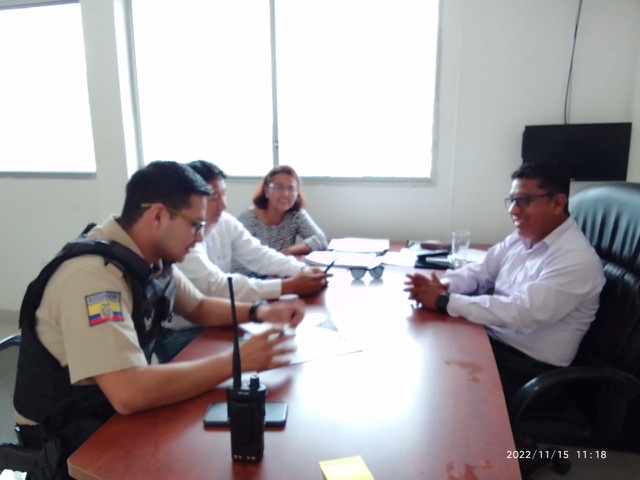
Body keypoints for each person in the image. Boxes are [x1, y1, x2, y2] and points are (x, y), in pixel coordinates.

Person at [13, 161, 304, 478]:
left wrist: (260, 311)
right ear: (158, 216)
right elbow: (129, 393)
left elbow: (199, 306)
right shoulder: (93, 278)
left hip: (107, 407)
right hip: (68, 437)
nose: (200, 238)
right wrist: (238, 360)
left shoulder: (148, 257)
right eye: (195, 225)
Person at [404, 162, 605, 401]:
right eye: (512, 201)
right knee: (422, 356)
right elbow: (480, 272)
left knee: (438, 391)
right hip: (493, 342)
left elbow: (523, 313)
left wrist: (444, 301)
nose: (513, 210)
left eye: (524, 201)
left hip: (528, 370)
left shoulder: (576, 259)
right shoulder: (522, 237)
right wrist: (445, 286)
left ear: (557, 203)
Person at [154, 160, 329, 363]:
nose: (224, 205)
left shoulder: (225, 222)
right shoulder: (181, 235)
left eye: (224, 194)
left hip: (224, 317)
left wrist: (302, 271)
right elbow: (215, 286)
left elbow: (260, 255)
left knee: (285, 348)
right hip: (183, 332)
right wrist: (286, 286)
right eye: (214, 197)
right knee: (263, 359)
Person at [236, 165, 327, 268]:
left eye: (291, 189)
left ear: (297, 193)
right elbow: (242, 263)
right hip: (251, 276)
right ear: (266, 191)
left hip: (281, 272)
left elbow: (320, 239)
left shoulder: (296, 214)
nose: (285, 194)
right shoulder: (249, 218)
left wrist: (287, 252)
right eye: (278, 187)